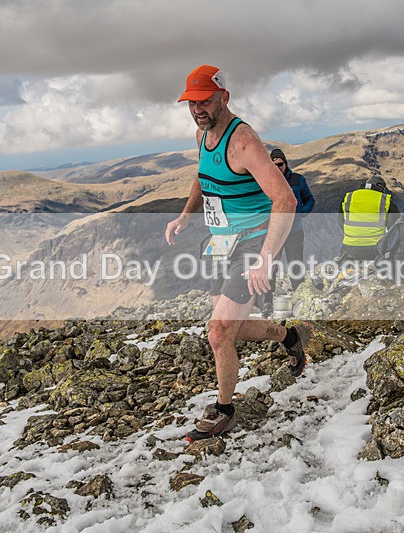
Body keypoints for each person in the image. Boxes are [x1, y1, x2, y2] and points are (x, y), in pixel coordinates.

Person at [165, 65, 312, 442]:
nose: (197, 109)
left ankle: (225, 410)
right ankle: (290, 337)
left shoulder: (242, 140)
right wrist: (185, 216)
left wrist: (266, 255)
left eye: (205, 101)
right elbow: (203, 177)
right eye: (191, 103)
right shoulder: (202, 135)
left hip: (252, 242)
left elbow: (285, 198)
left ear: (224, 98)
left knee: (218, 333)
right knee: (231, 327)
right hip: (220, 243)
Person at [259, 148, 315, 316]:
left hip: (294, 232)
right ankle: (267, 302)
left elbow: (310, 198)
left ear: (285, 163)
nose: (278, 168)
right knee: (270, 267)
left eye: (280, 164)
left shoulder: (298, 179)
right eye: (274, 165)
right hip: (273, 233)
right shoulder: (265, 181)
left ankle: (300, 298)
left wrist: (302, 211)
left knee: (295, 264)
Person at [339, 175, 400, 261]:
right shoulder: (384, 200)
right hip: (375, 250)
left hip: (349, 248)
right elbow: (394, 228)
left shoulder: (349, 198)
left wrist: (356, 235)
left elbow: (341, 222)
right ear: (380, 187)